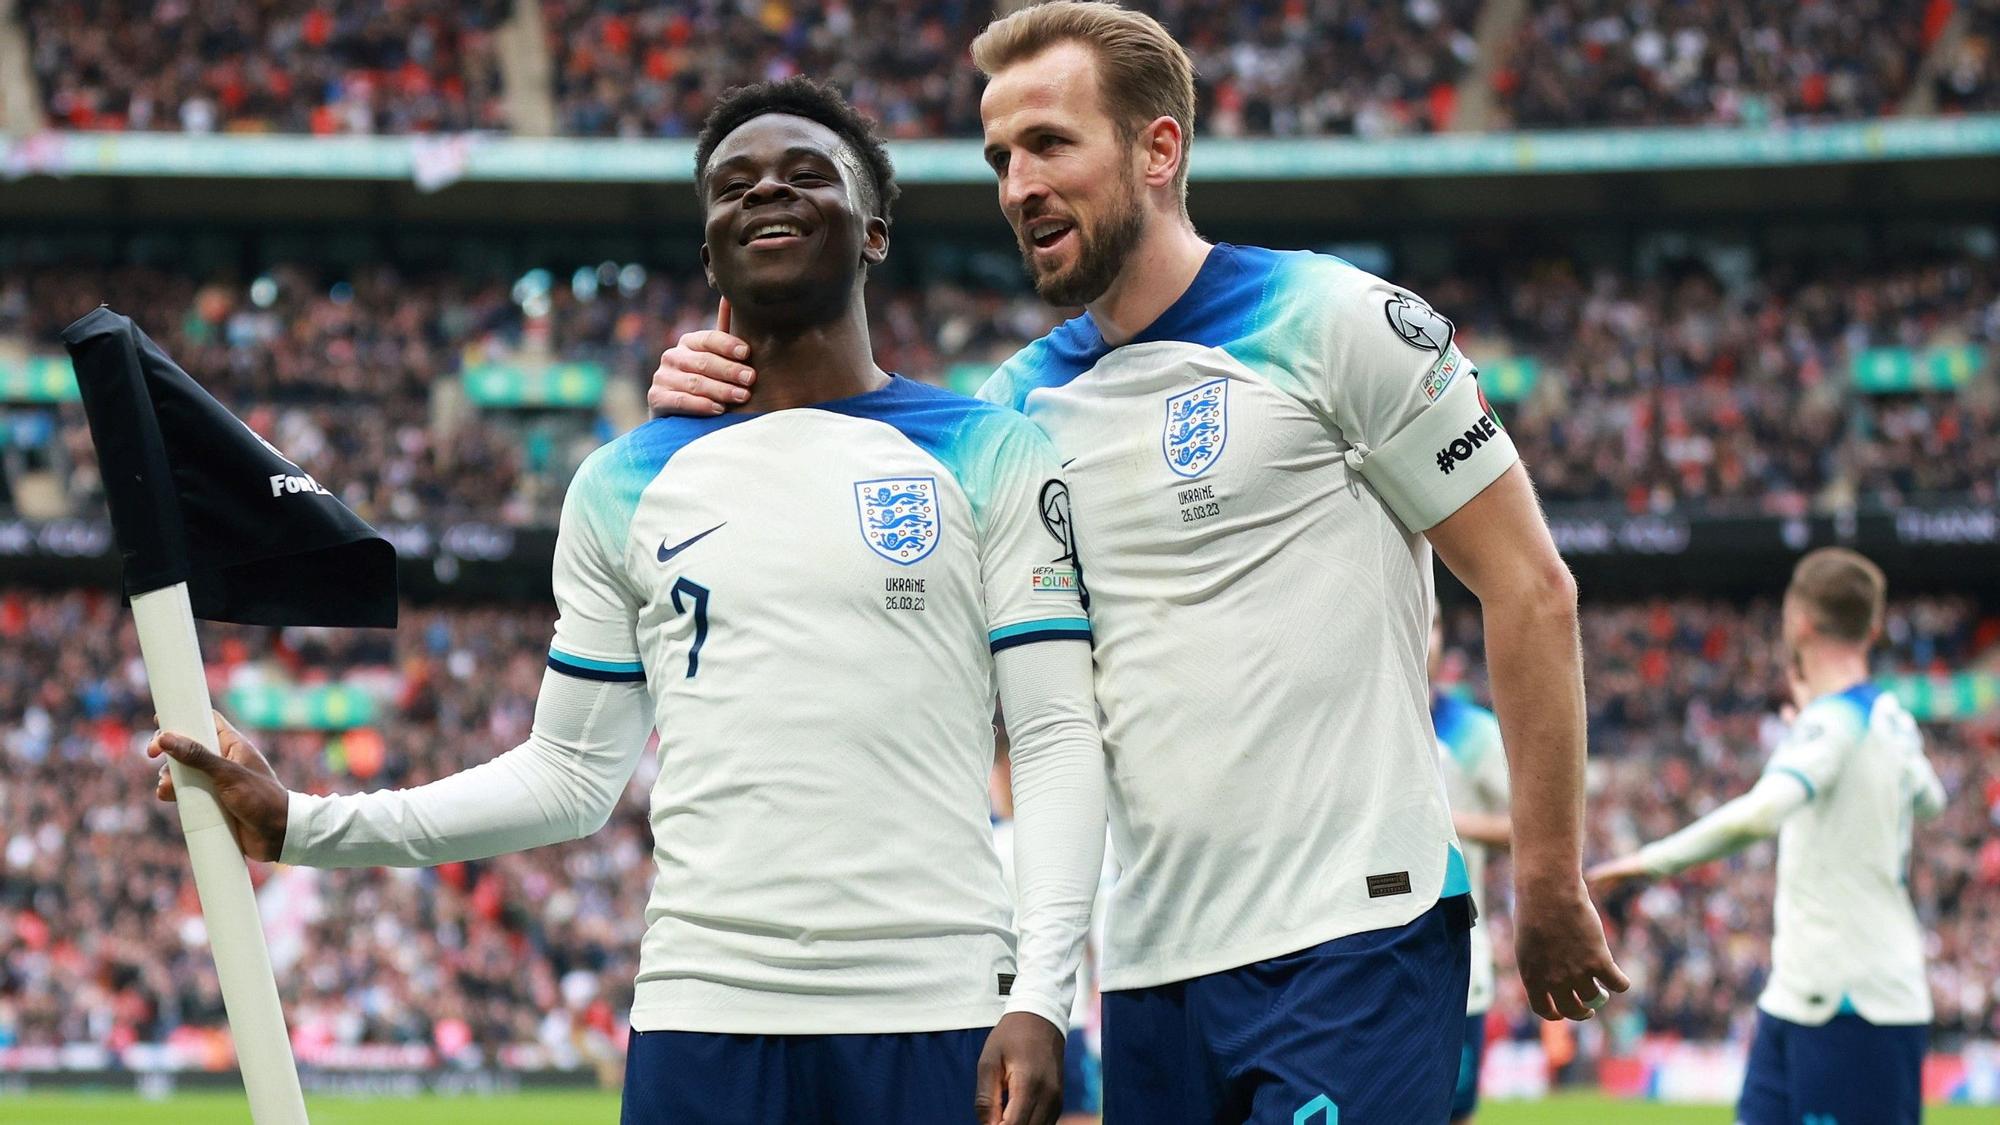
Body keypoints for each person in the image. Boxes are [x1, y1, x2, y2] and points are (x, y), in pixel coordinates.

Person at [649, 5, 1626, 1121]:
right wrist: (717, 414)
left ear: (1157, 150)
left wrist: (1547, 873)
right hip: (1151, 969)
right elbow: (865, 586)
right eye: (999, 159)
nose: (1017, 185)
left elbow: (1528, 585)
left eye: (1051, 145)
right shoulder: (1013, 411)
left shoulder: (1331, 319)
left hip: (1356, 936)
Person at [149, 77, 1107, 1125]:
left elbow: (1057, 736)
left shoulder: (987, 452)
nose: (764, 194)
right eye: (731, 186)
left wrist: (1043, 997)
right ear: (708, 256)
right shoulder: (622, 480)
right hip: (702, 1018)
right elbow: (568, 776)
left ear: (873, 230)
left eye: (803, 174)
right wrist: (304, 824)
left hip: (937, 1011)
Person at [1590, 548, 1945, 1125]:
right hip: (1798, 997)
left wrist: (1651, 861)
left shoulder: (1832, 726)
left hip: (1853, 1004)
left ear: (1798, 621)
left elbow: (1757, 816)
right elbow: (1932, 801)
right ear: (1873, 628)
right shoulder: (1888, 720)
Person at [1430, 610, 1512, 1125]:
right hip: (1365, 952)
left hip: (1457, 957)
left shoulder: (1471, 730)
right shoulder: (1356, 725)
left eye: (1437, 623)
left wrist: (1438, 819)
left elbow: (1530, 827)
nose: (1425, 635)